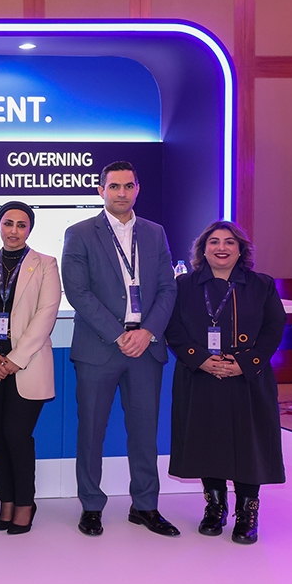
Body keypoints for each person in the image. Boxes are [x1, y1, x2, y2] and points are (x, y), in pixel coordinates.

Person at [62, 160, 179, 538]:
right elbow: (77, 291)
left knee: (145, 432)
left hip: (146, 348)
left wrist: (147, 332)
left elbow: (168, 288)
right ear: (101, 190)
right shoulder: (80, 233)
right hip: (99, 347)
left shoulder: (155, 233)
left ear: (137, 189)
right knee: (91, 432)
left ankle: (145, 505)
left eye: (128, 186)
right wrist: (118, 334)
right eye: (114, 186)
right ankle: (91, 506)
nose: (122, 193)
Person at [165, 221, 285, 544]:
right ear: (203, 249)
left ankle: (247, 513)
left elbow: (274, 329)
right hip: (200, 376)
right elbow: (173, 328)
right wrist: (199, 359)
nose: (222, 247)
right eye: (214, 242)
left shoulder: (262, 285)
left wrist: (246, 363)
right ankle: (215, 507)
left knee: (249, 444)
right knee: (207, 441)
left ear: (241, 249)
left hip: (248, 378)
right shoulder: (183, 285)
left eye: (229, 242)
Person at [0, 202, 61, 535]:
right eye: (8, 223)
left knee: (16, 435)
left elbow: (47, 314)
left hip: (27, 365)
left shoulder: (46, 264)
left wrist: (15, 359)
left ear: (29, 229)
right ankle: (6, 501)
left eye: (21, 225)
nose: (14, 230)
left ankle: (24, 503)